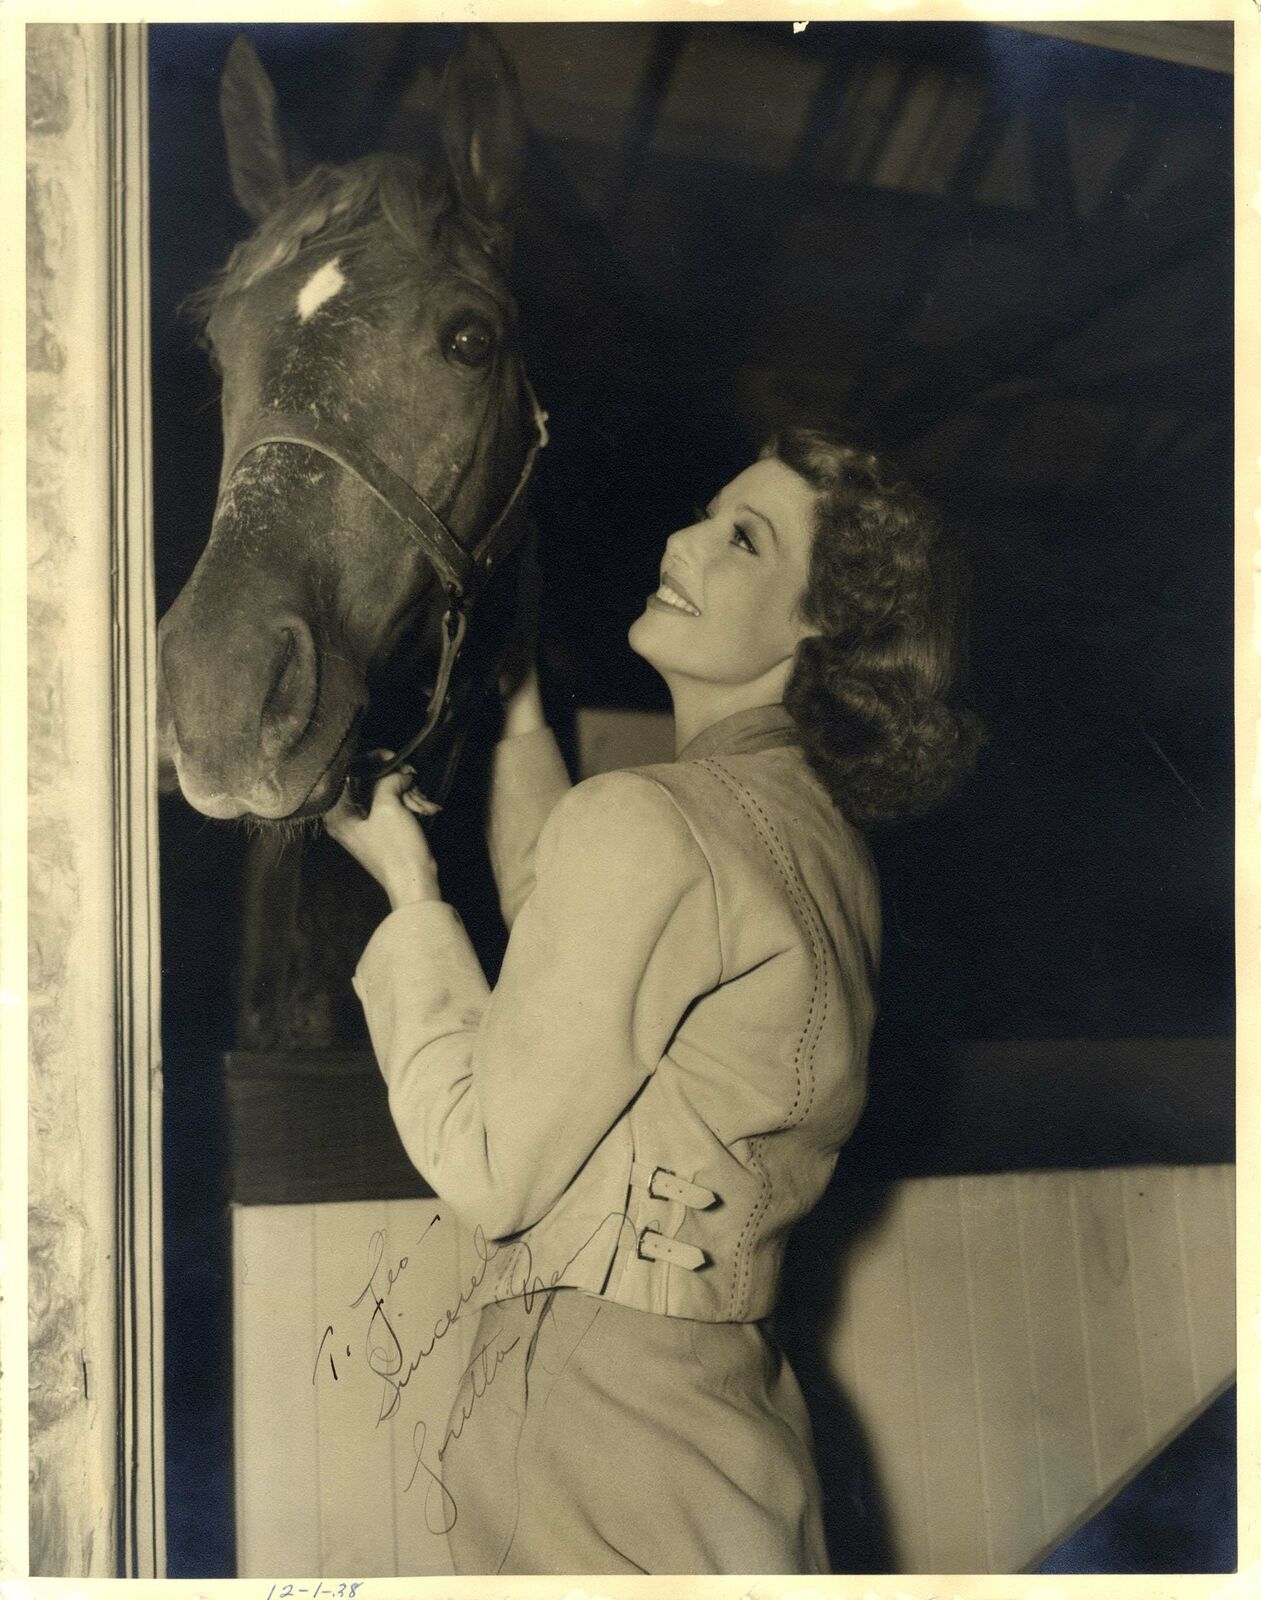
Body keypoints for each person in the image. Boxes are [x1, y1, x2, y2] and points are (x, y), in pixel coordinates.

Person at [325, 425, 982, 1575]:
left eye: (743, 538)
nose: (683, 540)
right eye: (705, 510)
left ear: (816, 627)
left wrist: (408, 888)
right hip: (727, 1406)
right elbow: (583, 953)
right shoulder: (822, 843)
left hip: (587, 1414)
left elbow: (489, 1166)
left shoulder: (658, 821)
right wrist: (522, 715)